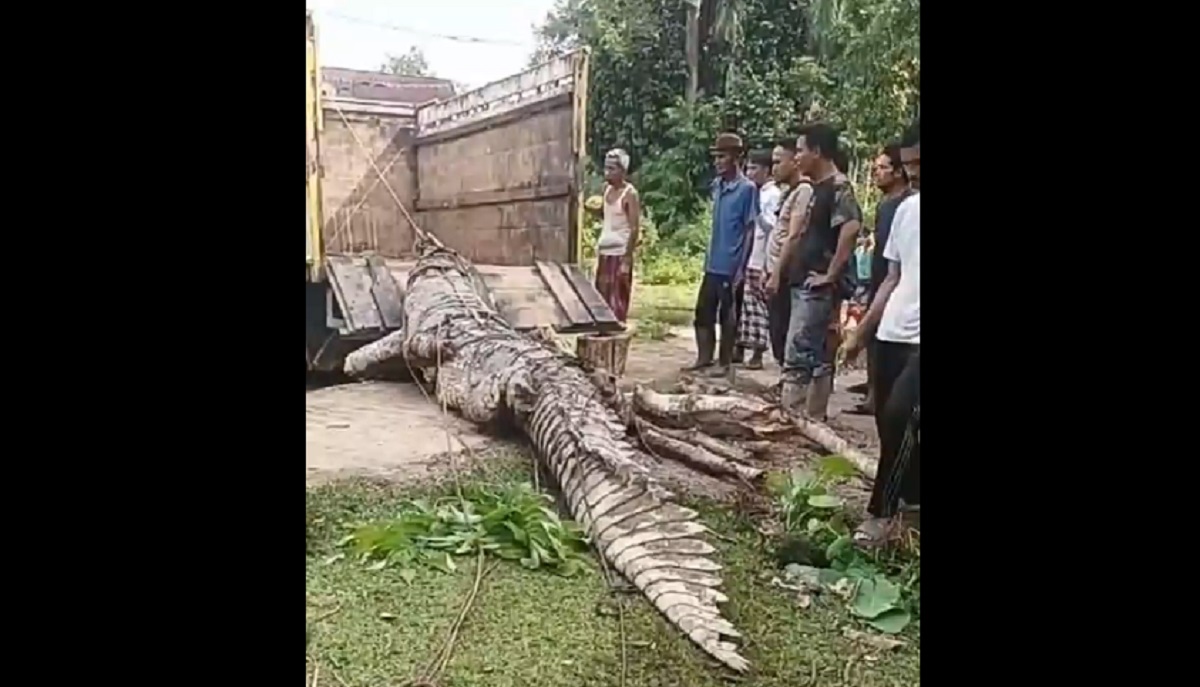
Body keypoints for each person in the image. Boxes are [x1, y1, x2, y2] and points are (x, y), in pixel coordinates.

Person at [843, 119, 920, 547]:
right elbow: (891, 277)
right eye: (909, 165)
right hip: (893, 329)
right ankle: (908, 507)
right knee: (890, 427)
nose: (914, 173)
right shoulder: (907, 210)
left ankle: (883, 513)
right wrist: (862, 333)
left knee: (902, 414)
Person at [766, 123, 863, 419]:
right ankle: (813, 418)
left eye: (800, 150)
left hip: (816, 285)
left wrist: (830, 274)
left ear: (817, 151)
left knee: (799, 355)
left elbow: (851, 227)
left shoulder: (838, 186)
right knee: (818, 355)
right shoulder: (818, 187)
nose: (796, 157)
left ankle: (792, 418)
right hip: (806, 281)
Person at [685, 132, 759, 378]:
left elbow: (750, 229)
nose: (717, 161)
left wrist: (741, 267)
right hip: (712, 262)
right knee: (703, 312)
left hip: (731, 264)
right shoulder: (718, 186)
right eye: (716, 156)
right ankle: (703, 357)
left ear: (737, 157)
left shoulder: (747, 189)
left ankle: (724, 363)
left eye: (723, 156)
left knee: (728, 315)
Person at [849, 143, 912, 414]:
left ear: (898, 172)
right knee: (875, 337)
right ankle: (873, 391)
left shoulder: (906, 205)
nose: (877, 173)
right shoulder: (886, 206)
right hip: (880, 278)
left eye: (883, 168)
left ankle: (878, 397)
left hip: (896, 285)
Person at [736, 149, 781, 369]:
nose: (750, 172)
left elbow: (773, 227)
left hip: (761, 257)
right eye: (748, 168)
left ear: (767, 170)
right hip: (749, 255)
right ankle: (742, 348)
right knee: (746, 307)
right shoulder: (754, 192)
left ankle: (758, 352)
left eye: (754, 168)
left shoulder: (772, 195)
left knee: (758, 307)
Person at [766, 140, 809, 368]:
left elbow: (793, 236)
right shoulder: (789, 192)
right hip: (777, 271)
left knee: (784, 331)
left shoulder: (803, 191)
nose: (774, 168)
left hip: (786, 274)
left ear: (794, 162)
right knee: (777, 330)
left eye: (778, 162)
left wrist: (776, 274)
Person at [594, 148, 641, 322]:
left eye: (612, 169)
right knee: (601, 301)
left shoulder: (630, 194)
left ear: (623, 170)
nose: (607, 173)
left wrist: (626, 260)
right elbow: (609, 217)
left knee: (617, 302)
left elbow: (634, 228)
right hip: (604, 253)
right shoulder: (606, 190)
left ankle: (615, 339)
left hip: (619, 254)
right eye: (606, 168)